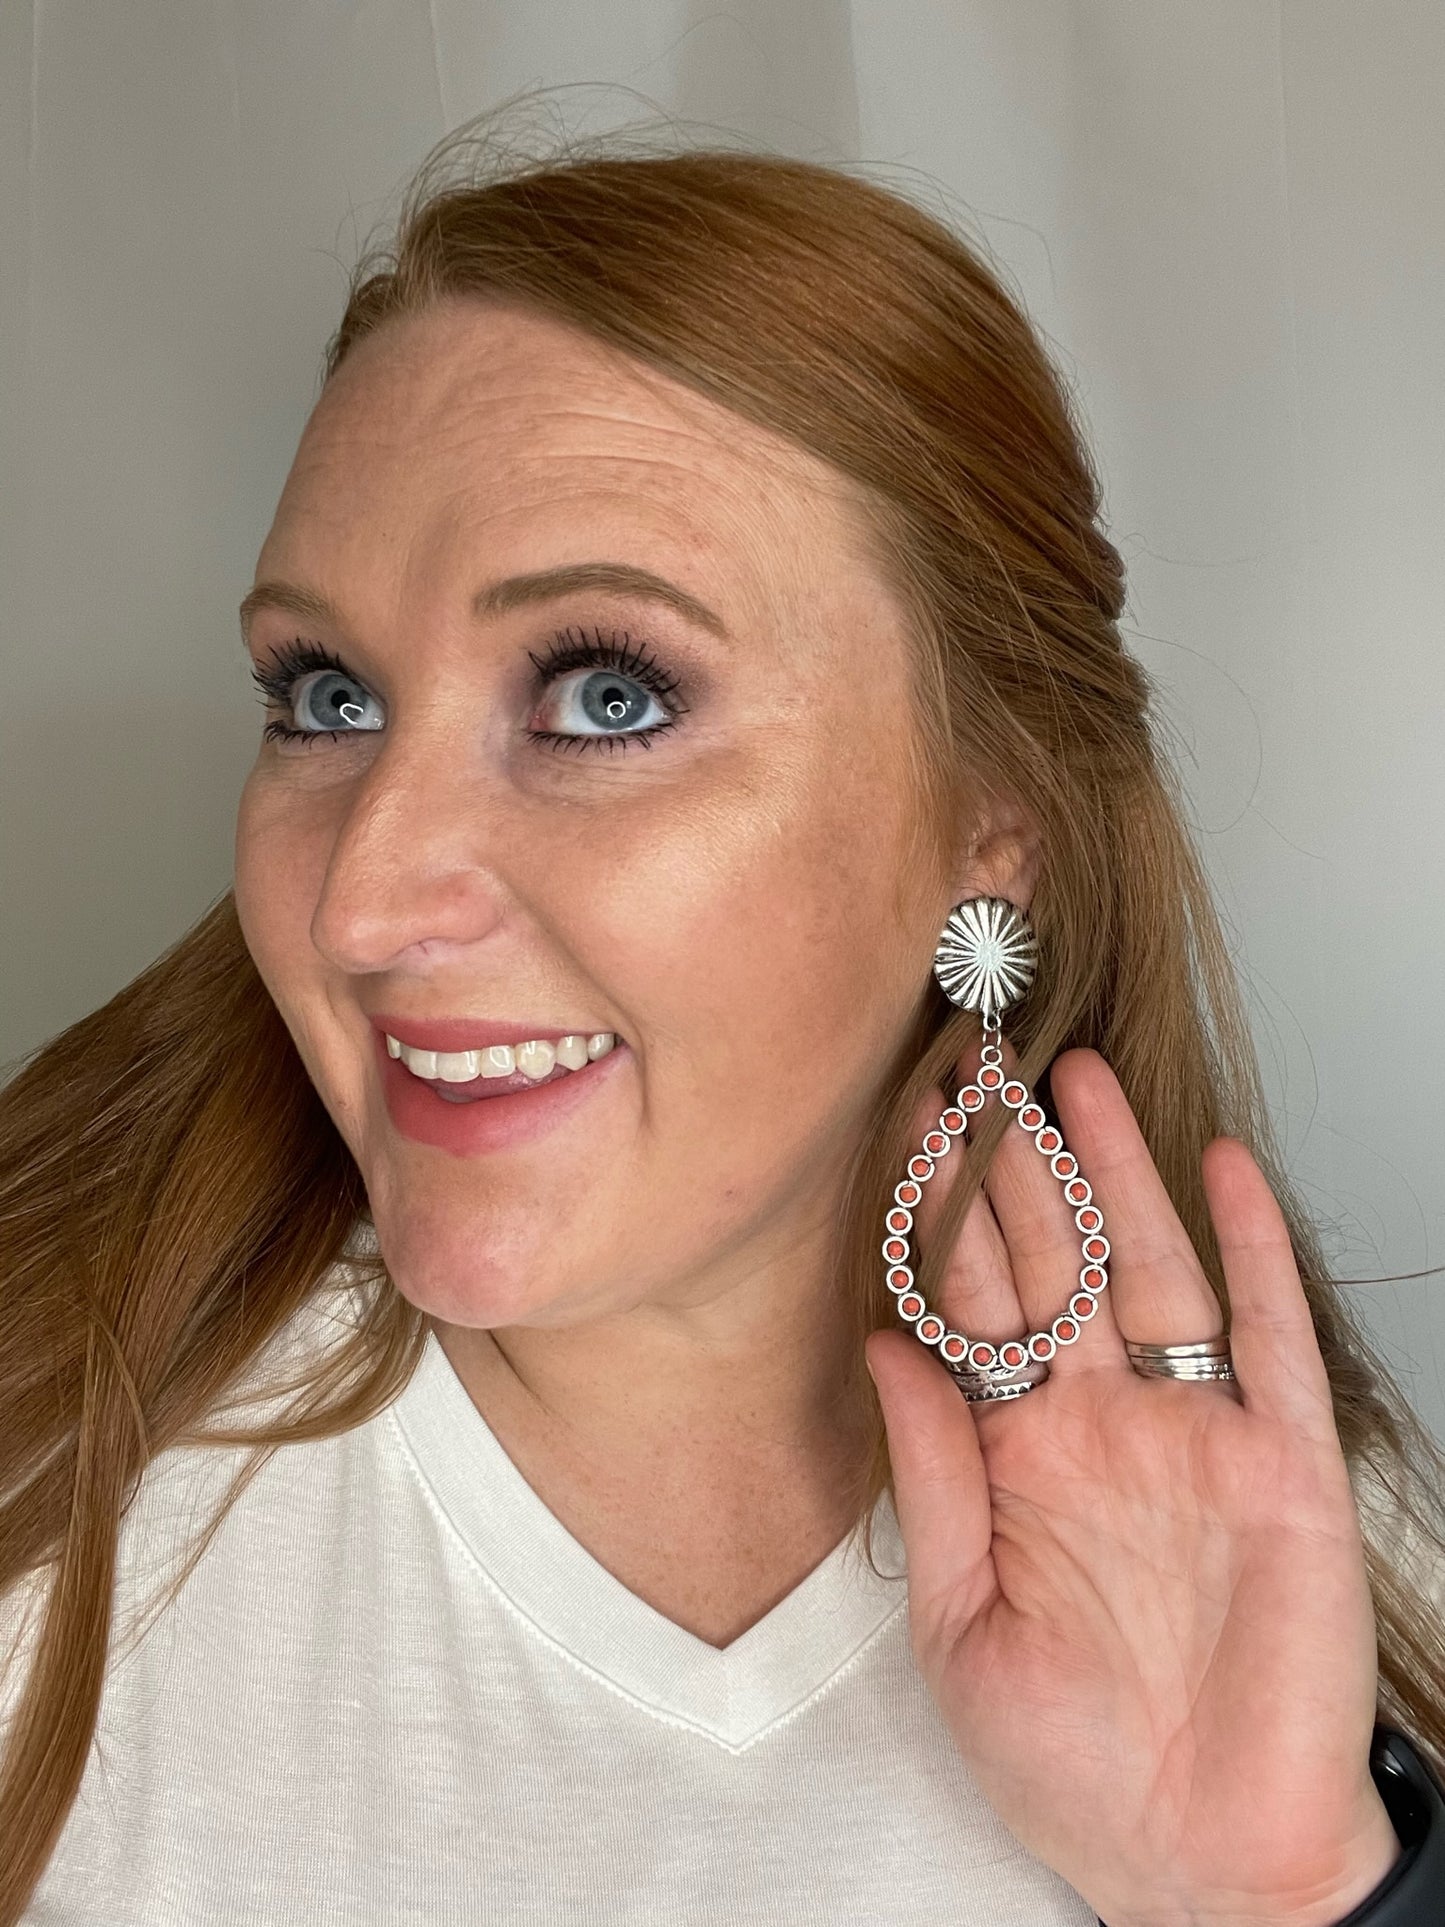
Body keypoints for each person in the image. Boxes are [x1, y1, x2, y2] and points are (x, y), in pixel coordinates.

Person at [1, 118, 1443, 1927]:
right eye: (327, 697)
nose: (359, 906)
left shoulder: (1306, 1566)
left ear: (989, 817)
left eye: (607, 696)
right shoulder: (47, 1508)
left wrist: (1286, 1893)